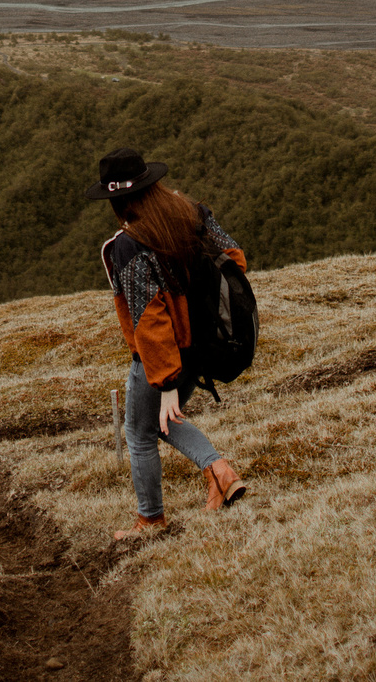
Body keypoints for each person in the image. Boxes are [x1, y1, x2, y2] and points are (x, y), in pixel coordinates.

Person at [91, 147, 249, 541]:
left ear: (118, 200)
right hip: (201, 347)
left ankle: (151, 520)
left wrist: (165, 384)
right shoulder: (192, 214)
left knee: (139, 432)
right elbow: (234, 259)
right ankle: (219, 474)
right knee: (160, 423)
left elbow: (150, 319)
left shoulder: (130, 244)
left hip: (162, 358)